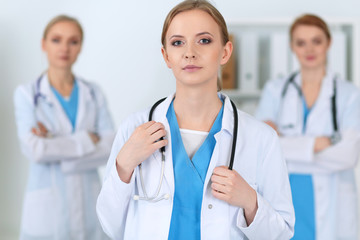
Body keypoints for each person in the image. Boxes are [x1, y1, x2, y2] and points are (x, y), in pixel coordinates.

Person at [96, 1, 294, 239]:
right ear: (166, 56)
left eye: (204, 40)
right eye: (178, 42)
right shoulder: (135, 128)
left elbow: (280, 234)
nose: (189, 52)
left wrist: (250, 202)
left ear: (225, 52)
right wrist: (124, 165)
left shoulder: (261, 138)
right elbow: (110, 225)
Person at [256, 14, 360, 240]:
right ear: (292, 46)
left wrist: (283, 146)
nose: (309, 49)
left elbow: (349, 155)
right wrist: (316, 145)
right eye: (301, 42)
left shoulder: (349, 95)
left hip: (332, 207)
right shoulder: (275, 91)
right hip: (286, 201)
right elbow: (260, 150)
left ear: (329, 43)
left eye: (317, 41)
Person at [14, 15, 114, 240]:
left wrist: (55, 145)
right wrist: (87, 140)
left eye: (73, 41)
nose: (64, 48)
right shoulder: (27, 95)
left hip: (90, 204)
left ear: (80, 47)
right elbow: (35, 150)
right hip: (47, 214)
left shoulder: (93, 93)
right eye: (56, 40)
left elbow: (109, 147)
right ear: (43, 44)